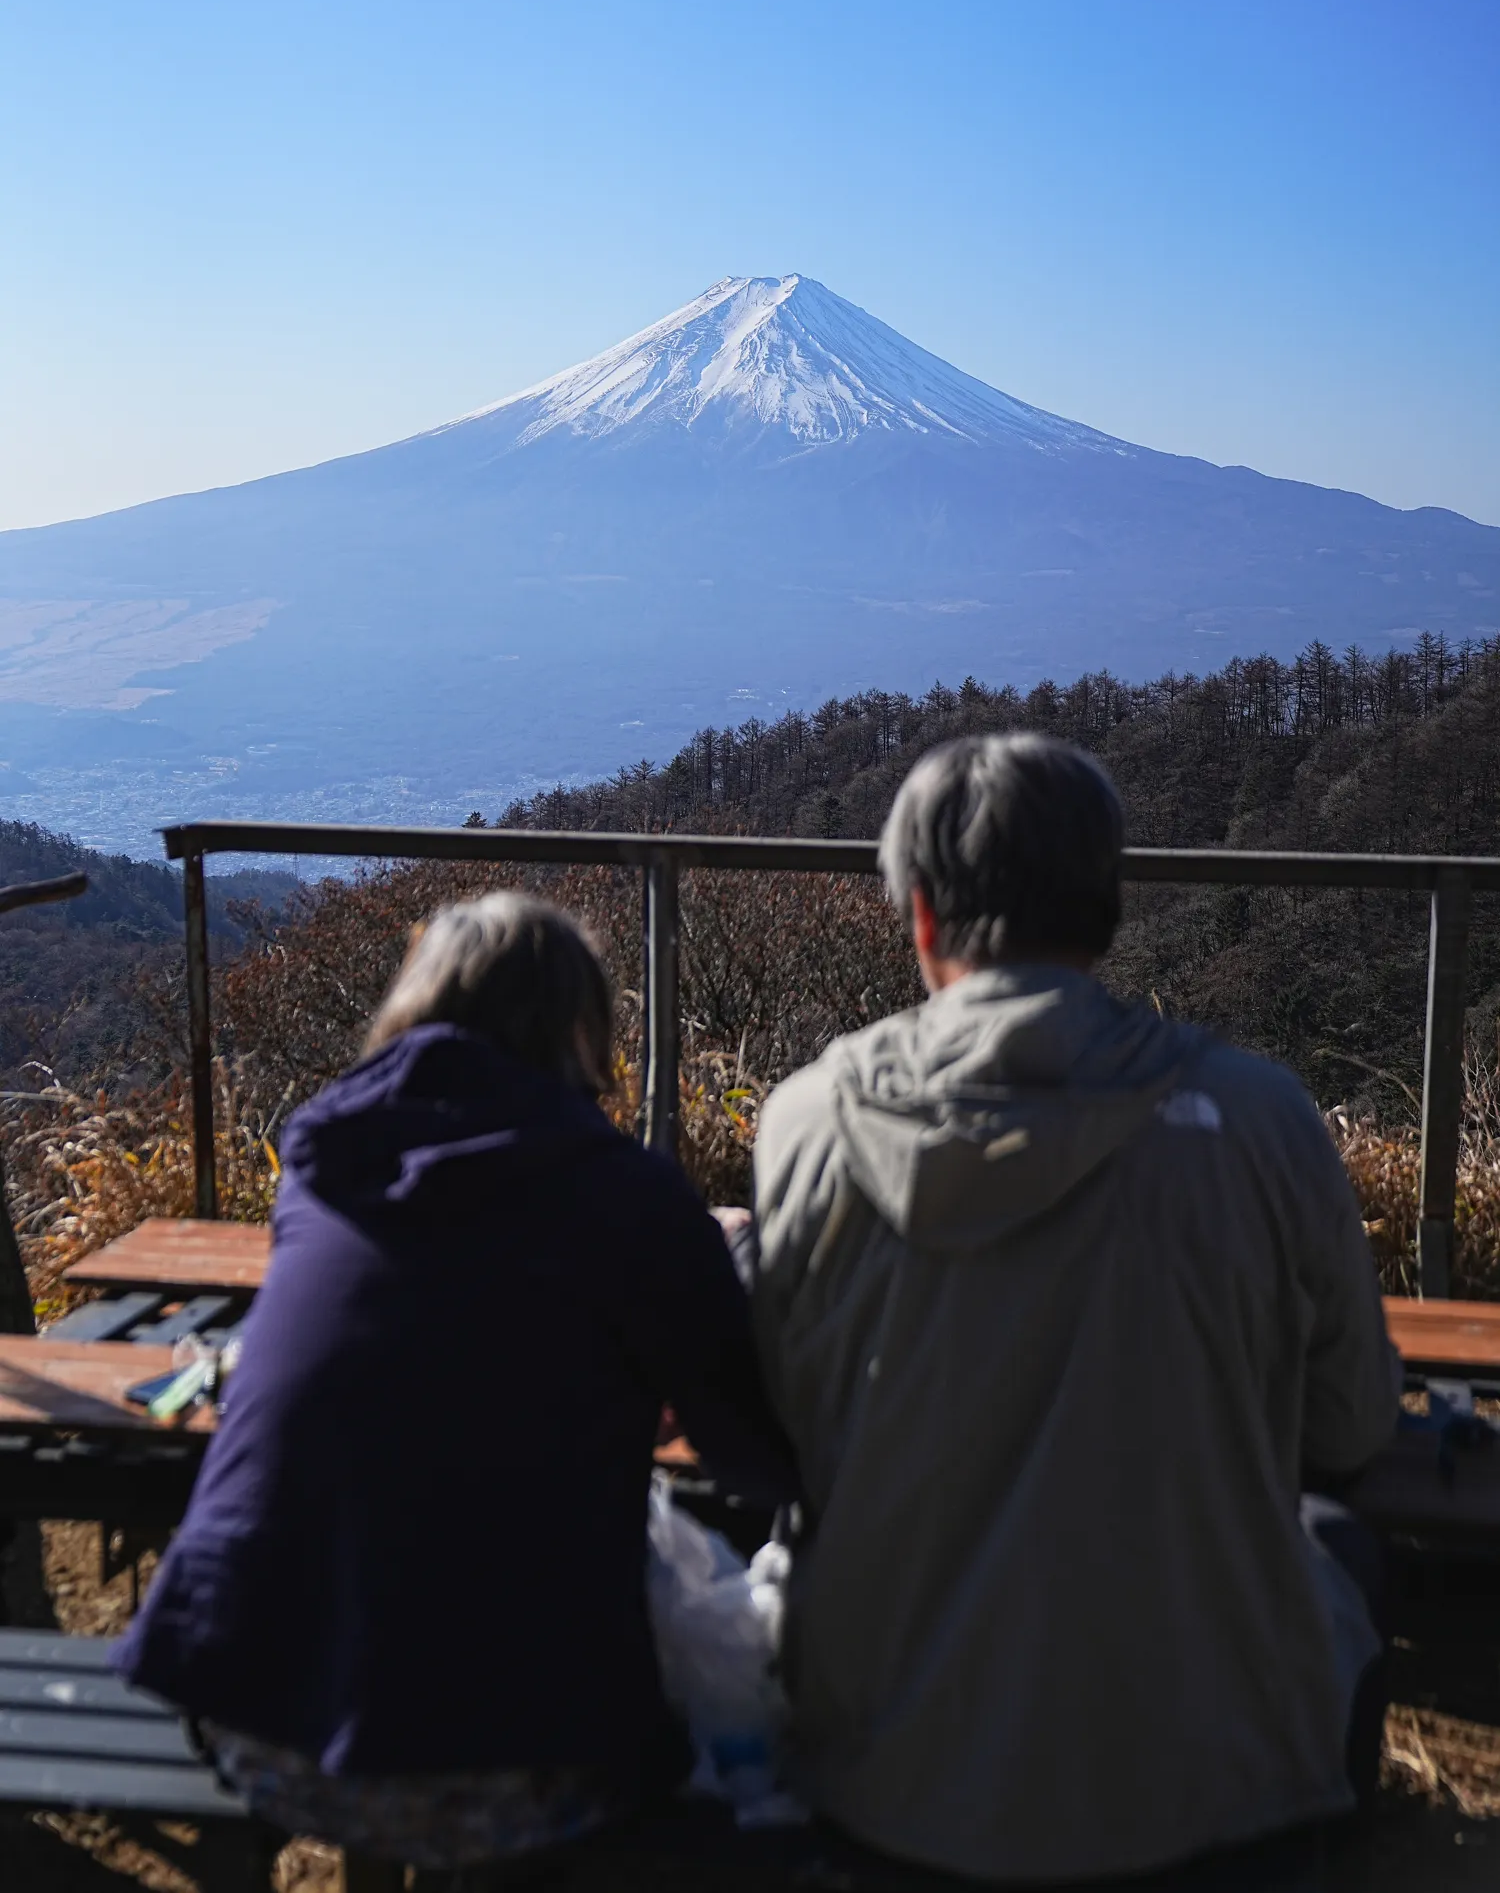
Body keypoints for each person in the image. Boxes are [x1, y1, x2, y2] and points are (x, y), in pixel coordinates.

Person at [752, 734, 1400, 1885]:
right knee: (1341, 1542)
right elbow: (1350, 1433)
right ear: (1107, 910)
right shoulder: (1261, 1119)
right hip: (1208, 1792)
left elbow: (780, 1433)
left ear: (920, 919)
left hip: (885, 1783)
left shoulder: (806, 1122)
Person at [116, 892, 793, 1873]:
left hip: (253, 1722)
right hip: (519, 1769)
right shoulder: (625, 1195)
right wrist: (710, 1262)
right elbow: (752, 1455)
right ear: (580, 1026)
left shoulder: (323, 1166)